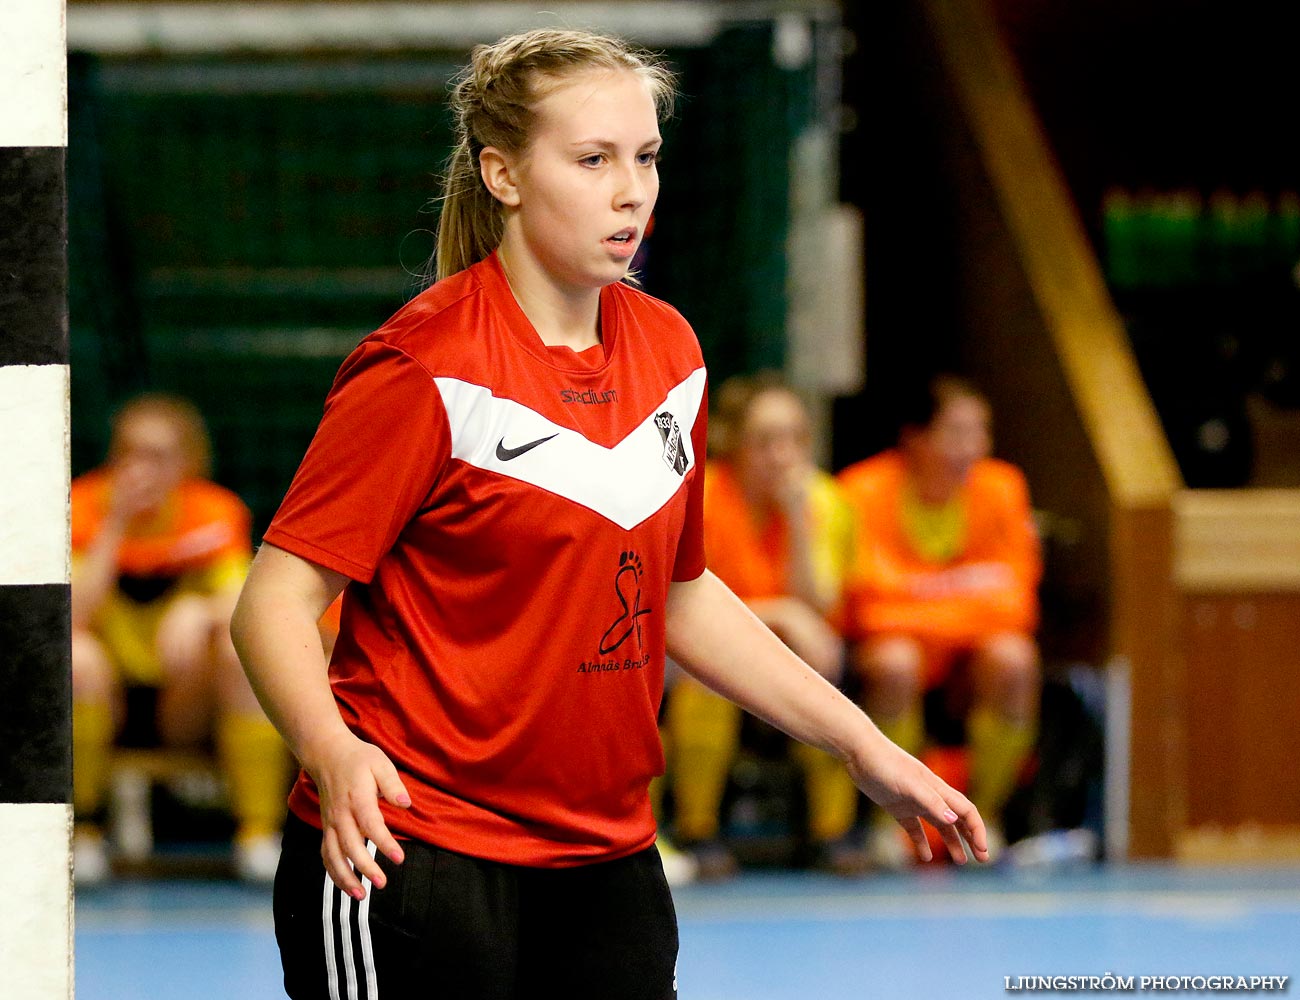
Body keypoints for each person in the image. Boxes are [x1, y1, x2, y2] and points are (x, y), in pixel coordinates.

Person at [230, 29, 988, 1000]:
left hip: (604, 859)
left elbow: (684, 594)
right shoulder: (423, 367)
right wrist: (332, 750)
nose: (631, 190)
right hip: (412, 849)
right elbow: (274, 602)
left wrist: (865, 747)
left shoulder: (669, 352)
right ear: (502, 174)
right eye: (592, 160)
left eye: (646, 157)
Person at [71, 393, 290, 884]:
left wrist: (200, 610)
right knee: (73, 657)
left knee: (239, 651)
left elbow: (242, 604)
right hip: (108, 696)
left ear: (190, 460)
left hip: (183, 698)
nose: (140, 467)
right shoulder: (82, 506)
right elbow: (68, 621)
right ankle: (82, 832)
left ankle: (257, 835)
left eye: (158, 455)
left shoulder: (211, 511)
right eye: (130, 452)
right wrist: (117, 525)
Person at [664, 372, 865, 876]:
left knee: (820, 663)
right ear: (734, 442)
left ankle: (832, 834)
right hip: (695, 658)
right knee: (706, 674)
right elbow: (682, 606)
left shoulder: (824, 502)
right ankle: (697, 830)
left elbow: (818, 609)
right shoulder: (699, 493)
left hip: (787, 656)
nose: (783, 454)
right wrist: (780, 614)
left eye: (796, 438)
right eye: (766, 441)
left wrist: (798, 521)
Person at [838, 374, 1041, 867]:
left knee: (1015, 659)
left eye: (981, 433)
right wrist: (966, 593)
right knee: (895, 660)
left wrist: (917, 597)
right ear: (915, 438)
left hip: (969, 661)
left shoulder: (1003, 487)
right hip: (892, 656)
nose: (973, 449)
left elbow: (1017, 603)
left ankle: (985, 816)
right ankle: (892, 821)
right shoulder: (861, 490)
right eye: (956, 433)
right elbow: (864, 605)